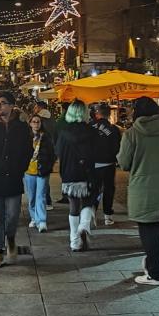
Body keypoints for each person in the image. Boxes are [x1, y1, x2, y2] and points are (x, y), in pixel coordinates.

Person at [117, 97, 159, 286]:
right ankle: (152, 264)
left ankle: (155, 273)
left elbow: (124, 162)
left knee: (148, 231)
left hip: (143, 189)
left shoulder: (132, 134)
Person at [0, 91, 32, 268]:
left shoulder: (21, 126)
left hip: (14, 177)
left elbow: (27, 150)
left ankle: (10, 237)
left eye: (3, 103)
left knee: (12, 215)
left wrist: (20, 168)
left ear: (11, 105)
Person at [56, 99, 100, 251]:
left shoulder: (63, 133)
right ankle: (84, 225)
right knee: (89, 200)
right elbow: (96, 153)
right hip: (87, 172)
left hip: (69, 173)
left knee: (73, 206)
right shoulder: (92, 132)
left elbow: (59, 153)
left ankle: (74, 240)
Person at [91, 103, 122, 226]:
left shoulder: (89, 126)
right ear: (109, 115)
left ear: (97, 114)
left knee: (94, 189)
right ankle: (107, 216)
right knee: (108, 189)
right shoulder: (114, 129)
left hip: (93, 163)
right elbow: (117, 146)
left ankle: (92, 210)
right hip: (108, 163)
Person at [24, 113, 55, 232]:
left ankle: (42, 221)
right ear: (30, 123)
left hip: (43, 170)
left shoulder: (46, 137)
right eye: (34, 122)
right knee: (31, 197)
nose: (36, 124)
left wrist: (49, 165)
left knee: (41, 196)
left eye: (38, 122)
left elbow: (52, 153)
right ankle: (33, 217)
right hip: (28, 170)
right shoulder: (26, 137)